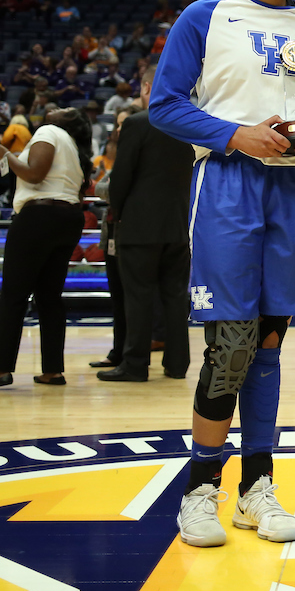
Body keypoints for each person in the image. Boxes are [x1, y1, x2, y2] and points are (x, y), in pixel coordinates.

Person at [149, 0, 295, 549]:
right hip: (228, 184)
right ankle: (201, 489)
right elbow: (165, 106)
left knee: (268, 344)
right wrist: (234, 134)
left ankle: (257, 490)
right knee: (230, 342)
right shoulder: (203, 17)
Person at [96, 68, 193, 383]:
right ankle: (177, 364)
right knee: (175, 296)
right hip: (178, 225)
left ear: (150, 87)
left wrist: (117, 212)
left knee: (137, 296)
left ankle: (135, 365)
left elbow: (121, 177)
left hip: (139, 226)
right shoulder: (190, 125)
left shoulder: (137, 123)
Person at [0, 107, 92, 388]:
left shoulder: (48, 131)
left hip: (39, 216)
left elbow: (34, 174)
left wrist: (7, 155)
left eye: (64, 109)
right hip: (68, 218)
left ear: (65, 121)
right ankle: (52, 370)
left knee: (13, 294)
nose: (55, 107)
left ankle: (2, 369)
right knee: (49, 297)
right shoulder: (75, 149)